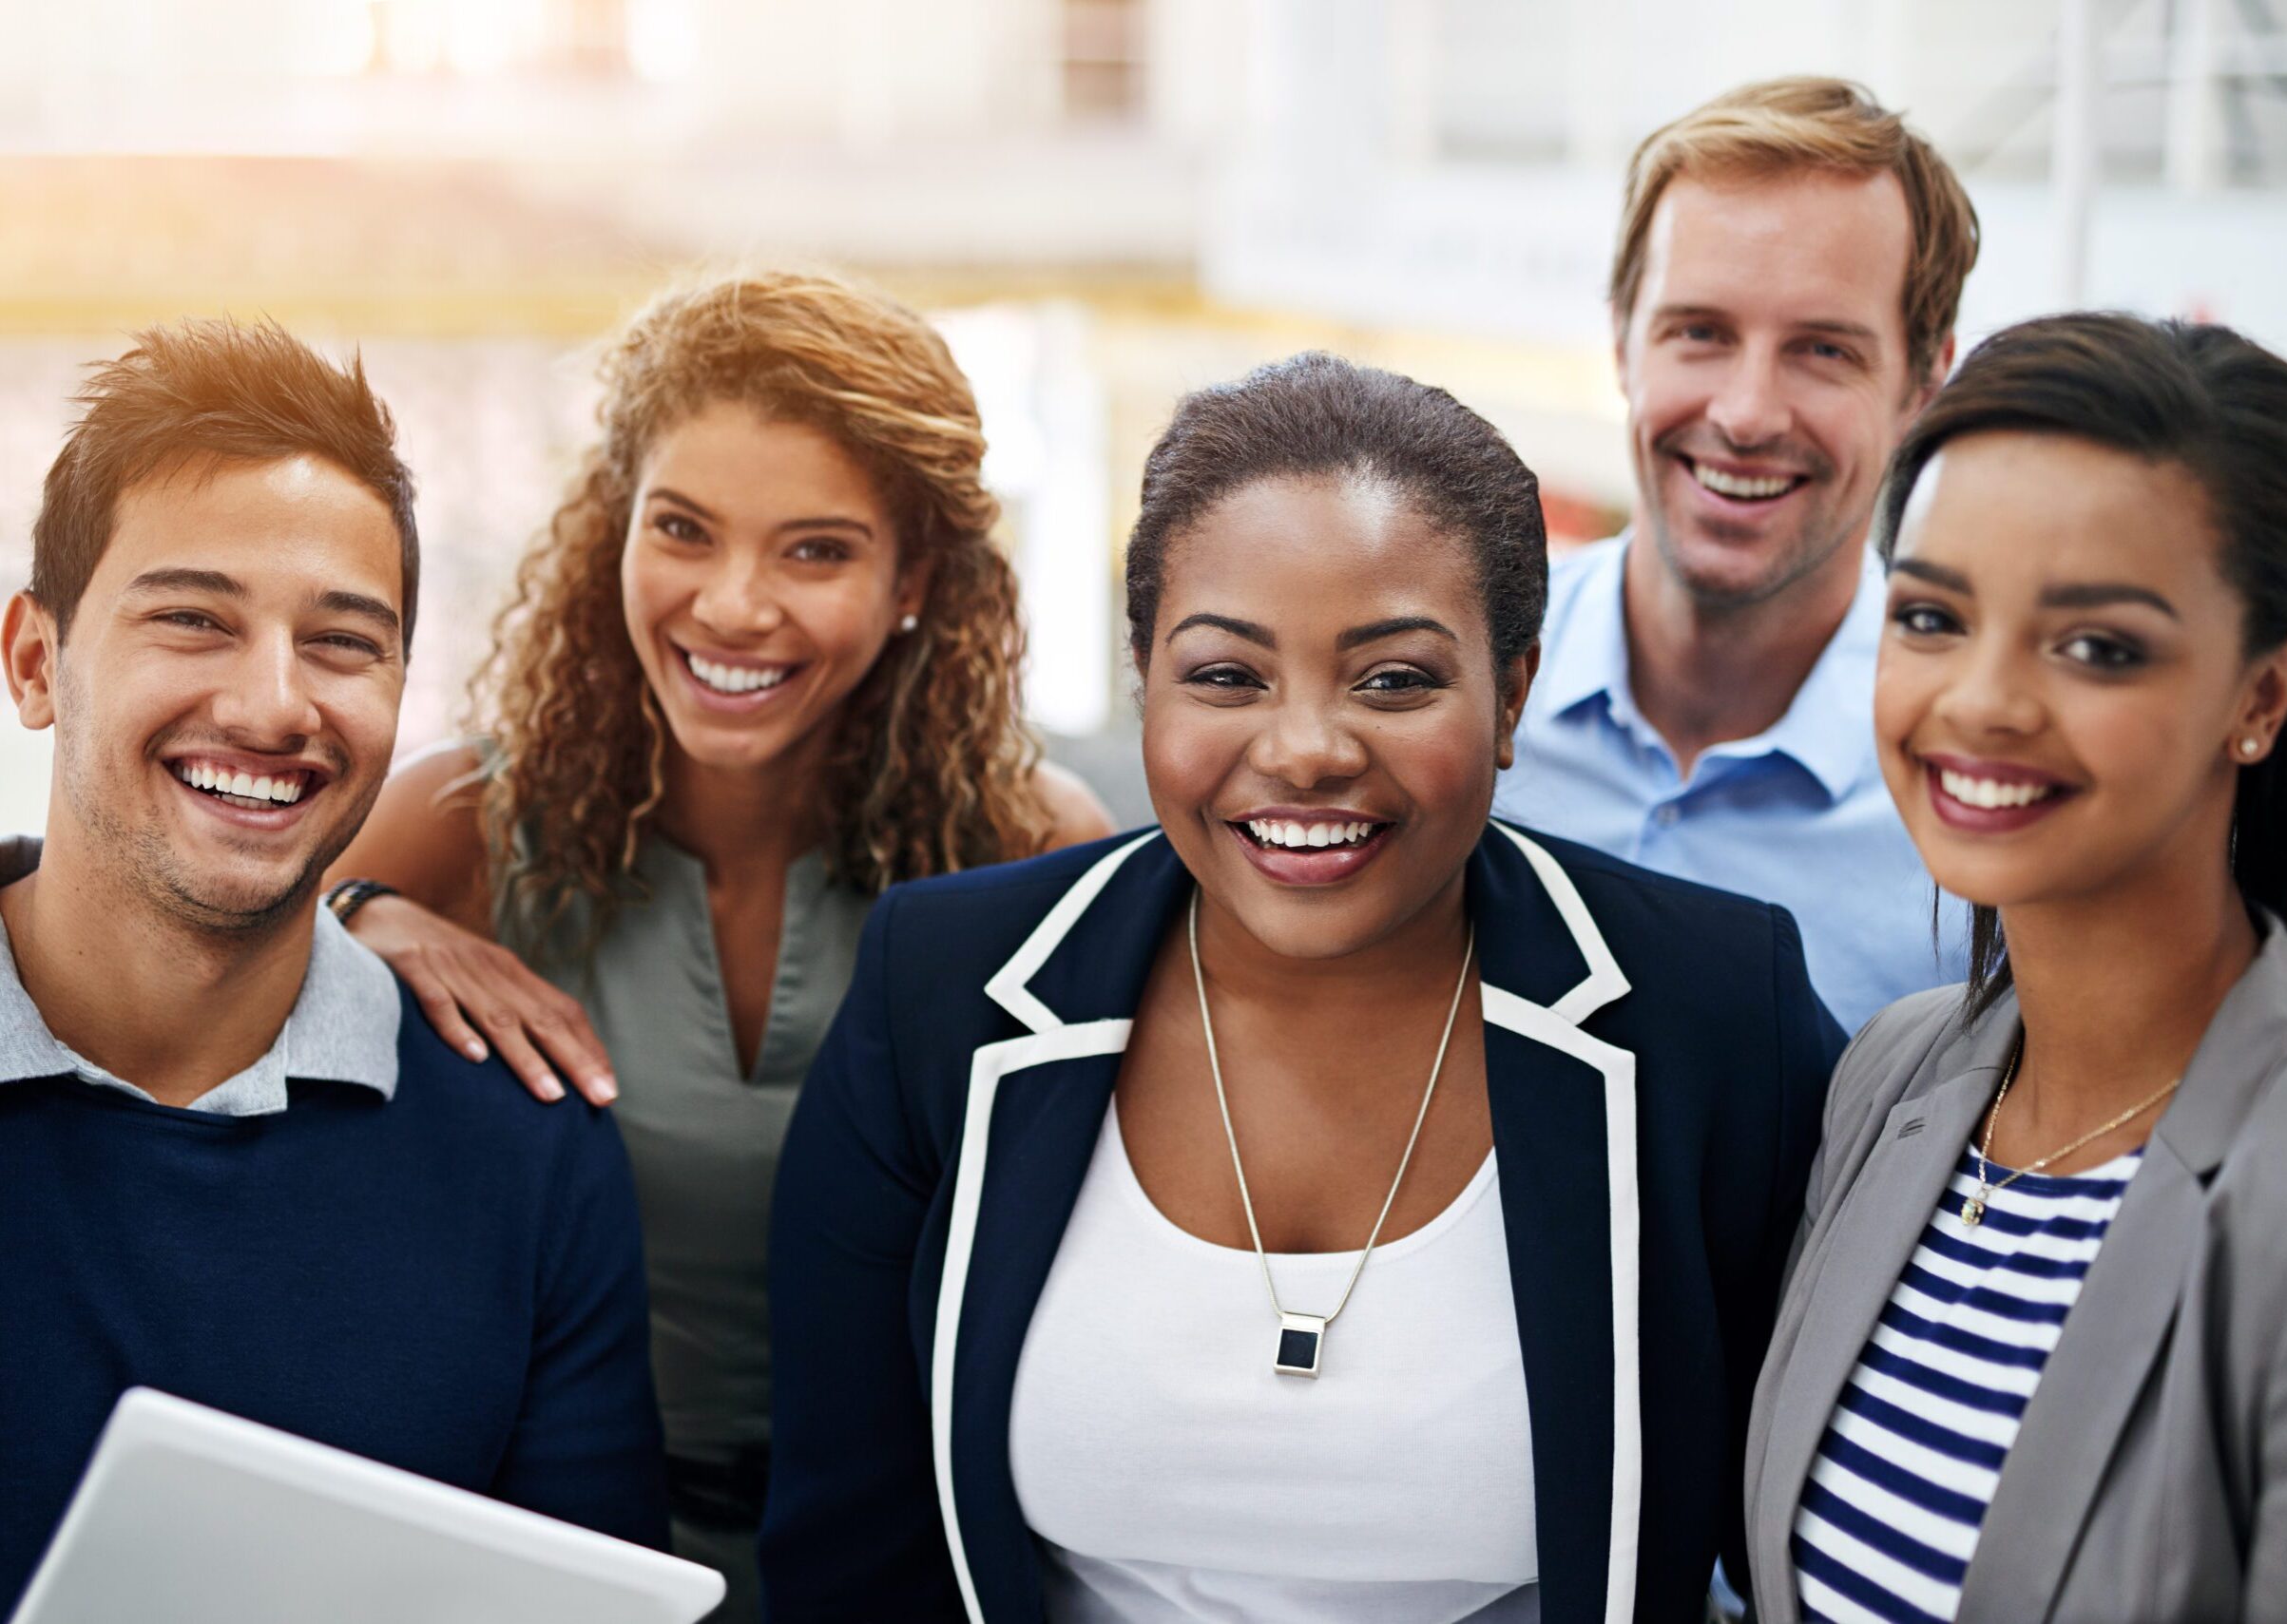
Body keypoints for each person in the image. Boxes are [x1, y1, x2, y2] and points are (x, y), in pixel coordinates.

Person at [759, 353, 1841, 1623]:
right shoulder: (942, 989)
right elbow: (848, 1548)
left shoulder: (1711, 1011)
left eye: (1394, 679)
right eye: (1225, 674)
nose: (1306, 750)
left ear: (1512, 696)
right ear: (1141, 676)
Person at [324, 268, 1110, 1618]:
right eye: (682, 529)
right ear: (610, 528)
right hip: (553, 1546)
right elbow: (223, 1021)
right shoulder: (455, 828)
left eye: (815, 550)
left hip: (912, 1560)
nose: (734, 606)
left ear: (915, 577)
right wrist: (359, 918)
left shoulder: (1031, 852)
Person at [0, 319, 666, 1609]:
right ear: (36, 661)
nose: (272, 705)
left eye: (343, 641)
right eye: (193, 619)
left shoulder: (527, 1155)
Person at [1745, 315, 2287, 1622]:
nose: (1982, 702)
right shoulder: (1893, 1073)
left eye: (2094, 646)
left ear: (2261, 693)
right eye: (1931, 616)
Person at [1493, 77, 1981, 1032]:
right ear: (1623, 342)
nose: (1746, 412)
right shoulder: (1447, 695)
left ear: (1924, 384)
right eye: (1701, 332)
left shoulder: (1982, 805)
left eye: (1822, 350)